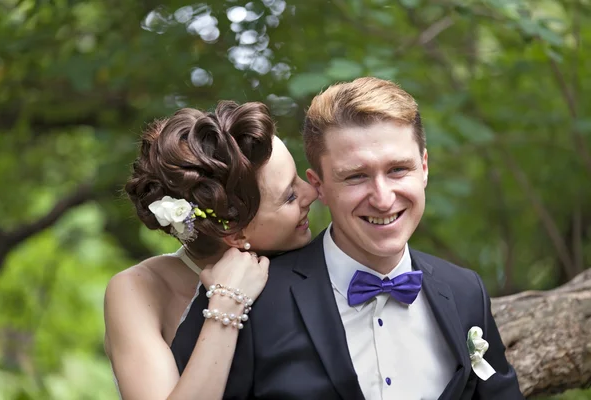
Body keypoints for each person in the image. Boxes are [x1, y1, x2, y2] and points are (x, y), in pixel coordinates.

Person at [171, 77, 524, 399]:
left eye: (398, 169)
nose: (383, 198)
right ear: (319, 185)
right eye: (356, 177)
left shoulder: (465, 291)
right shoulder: (245, 299)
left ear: (425, 168)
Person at [103, 100, 317, 400]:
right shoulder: (138, 290)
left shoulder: (310, 269)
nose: (313, 192)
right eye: (290, 196)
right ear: (234, 230)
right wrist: (227, 303)